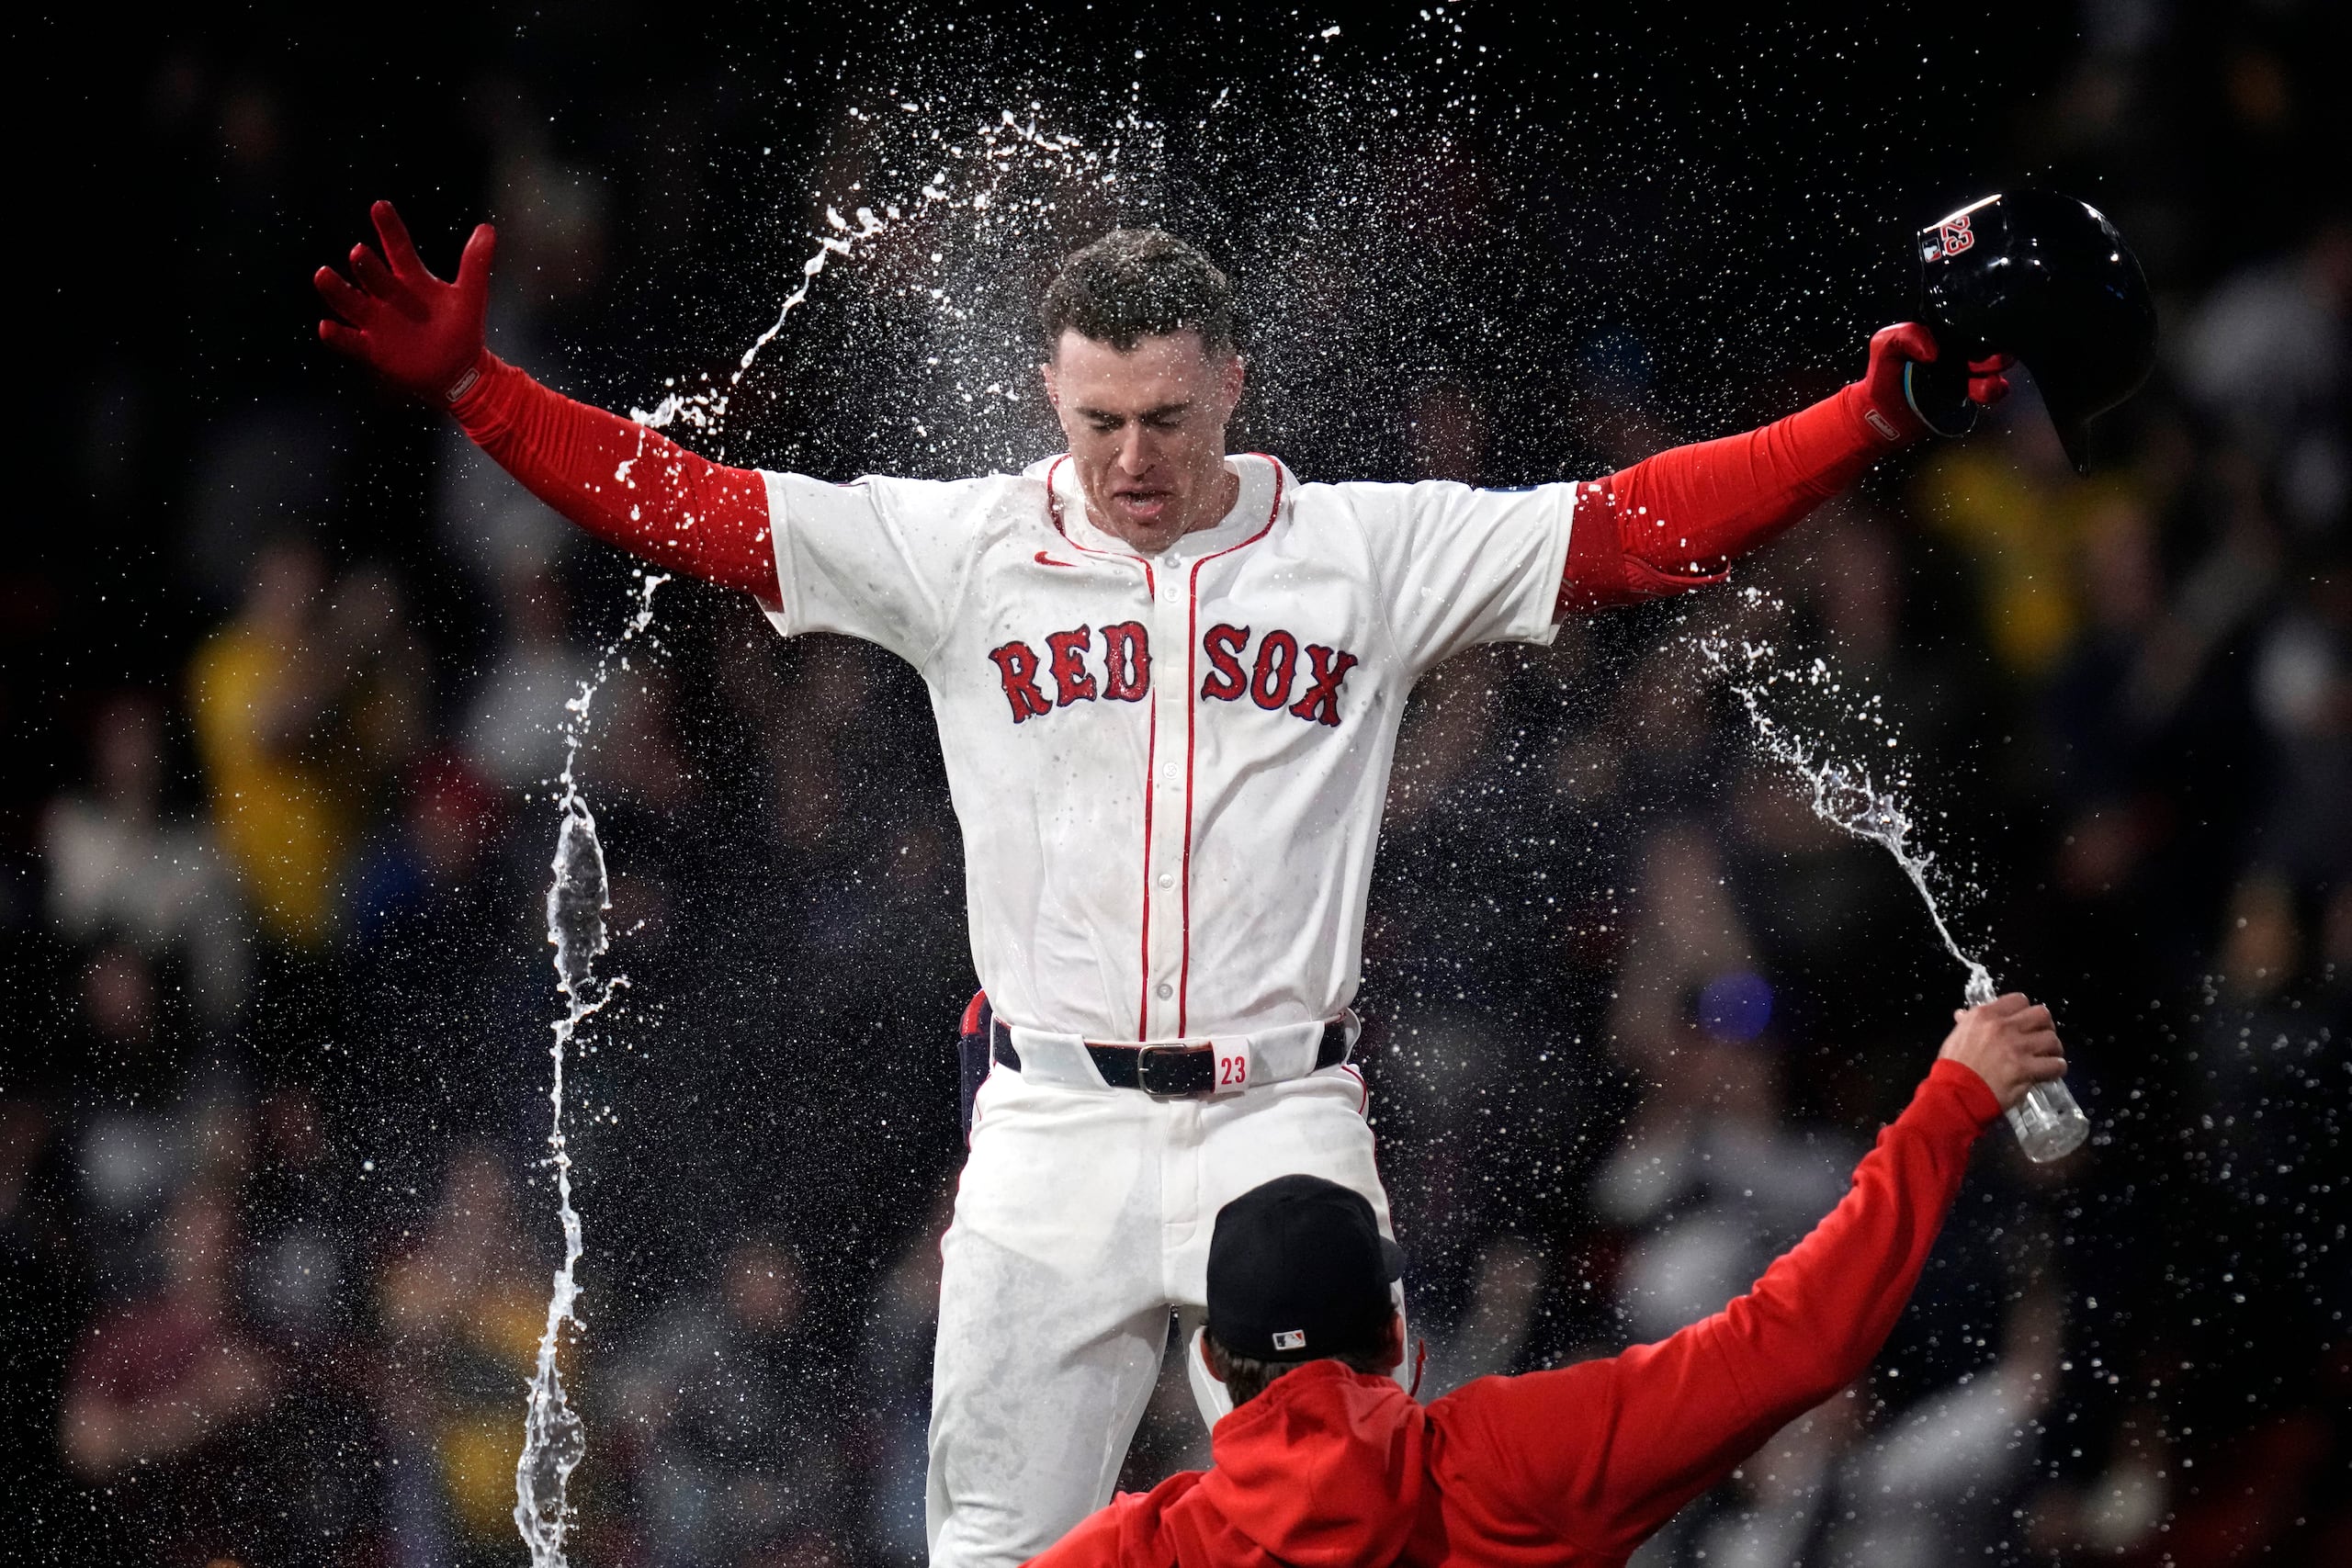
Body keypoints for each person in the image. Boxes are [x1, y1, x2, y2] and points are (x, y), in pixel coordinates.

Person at [311, 201, 2011, 1568]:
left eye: (1168, 419)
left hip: (1285, 1123)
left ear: (1234, 386)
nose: (1132, 457)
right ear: (1050, 397)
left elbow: (1635, 525)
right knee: (994, 1551)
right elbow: (700, 511)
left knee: (1363, 1535)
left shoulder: (1362, 548)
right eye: (1099, 420)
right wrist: (483, 397)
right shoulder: (964, 546)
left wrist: (1875, 413)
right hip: (1050, 1127)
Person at [1029, 993, 2067, 1568]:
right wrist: (1949, 1102)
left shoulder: (1141, 1552)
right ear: (1394, 1337)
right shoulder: (1510, 1461)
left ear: (1214, 1360)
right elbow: (1801, 1340)